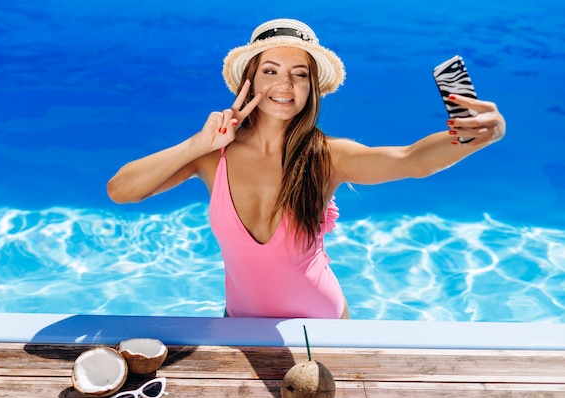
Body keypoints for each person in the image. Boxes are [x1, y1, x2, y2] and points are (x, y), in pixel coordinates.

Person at [107, 18, 506, 319]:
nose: (286, 84)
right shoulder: (212, 157)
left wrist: (469, 136)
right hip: (240, 327)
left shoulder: (326, 157)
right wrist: (198, 143)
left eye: (300, 74)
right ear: (248, 79)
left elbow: (411, 161)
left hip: (325, 326)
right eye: (271, 70)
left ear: (312, 88)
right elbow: (121, 191)